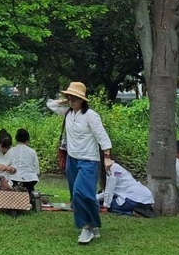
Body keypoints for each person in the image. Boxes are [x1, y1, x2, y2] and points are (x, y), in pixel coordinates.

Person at [46, 82, 112, 245]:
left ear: (83, 99)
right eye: (70, 96)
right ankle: (93, 224)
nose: (72, 99)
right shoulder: (68, 113)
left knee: (81, 193)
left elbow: (102, 136)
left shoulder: (91, 115)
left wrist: (107, 157)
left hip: (89, 161)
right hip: (72, 160)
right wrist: (63, 100)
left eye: (75, 97)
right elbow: (50, 104)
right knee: (75, 196)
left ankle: (86, 227)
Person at [10, 128, 40, 193]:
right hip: (29, 180)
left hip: (13, 179)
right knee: (29, 189)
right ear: (27, 140)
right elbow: (37, 170)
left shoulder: (11, 150)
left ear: (16, 139)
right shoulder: (32, 152)